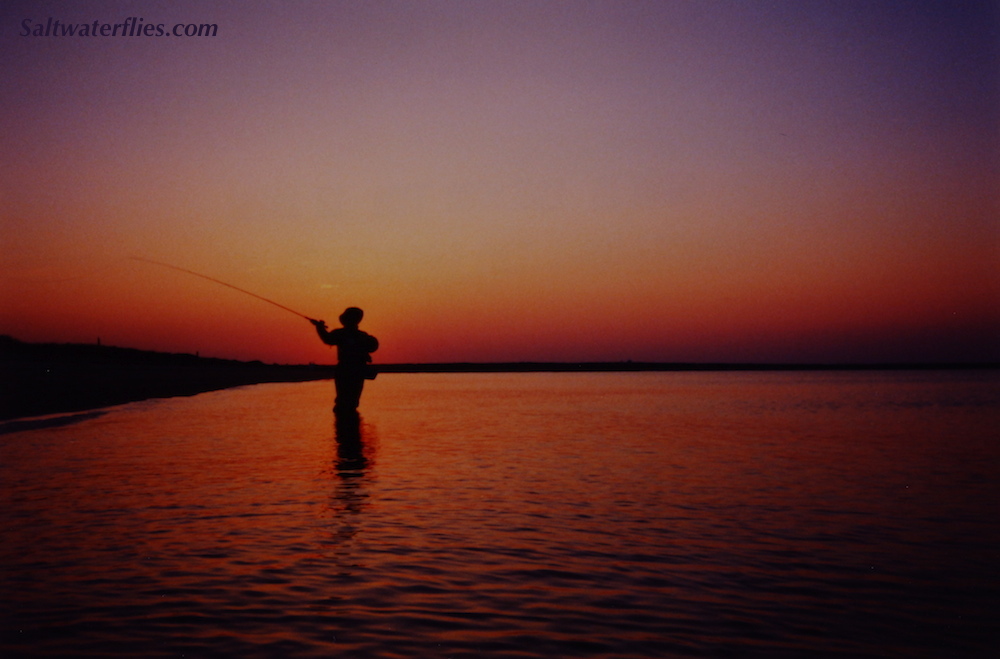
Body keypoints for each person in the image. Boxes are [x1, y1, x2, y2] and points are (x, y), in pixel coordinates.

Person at [310, 307, 379, 412]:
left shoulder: (340, 333)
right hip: (357, 370)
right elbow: (372, 346)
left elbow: (327, 339)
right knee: (352, 401)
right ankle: (350, 424)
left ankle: (343, 424)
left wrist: (319, 327)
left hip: (345, 370)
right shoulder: (362, 336)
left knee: (343, 401)